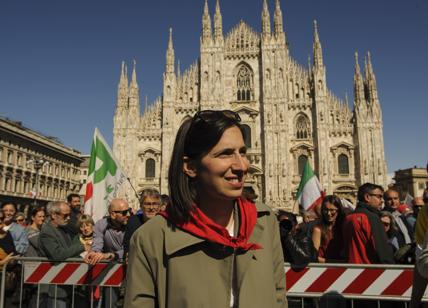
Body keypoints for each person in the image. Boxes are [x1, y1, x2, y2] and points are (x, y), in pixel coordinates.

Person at [124, 110, 287, 308]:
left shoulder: (264, 222)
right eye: (226, 154)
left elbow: (278, 296)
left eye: (242, 152)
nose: (242, 165)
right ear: (190, 166)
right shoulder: (151, 239)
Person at [39, 201, 89, 308]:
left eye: (69, 215)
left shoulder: (64, 229)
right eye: (65, 215)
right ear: (53, 215)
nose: (68, 218)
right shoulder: (47, 232)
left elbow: (70, 250)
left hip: (67, 281)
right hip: (55, 285)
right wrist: (82, 247)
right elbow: (57, 254)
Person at [85, 198, 130, 308]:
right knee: (111, 303)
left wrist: (112, 255)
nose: (128, 214)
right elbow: (97, 243)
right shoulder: (101, 224)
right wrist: (94, 253)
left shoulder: (132, 224)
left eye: (129, 210)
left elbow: (131, 248)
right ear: (113, 214)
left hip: (131, 272)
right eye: (124, 212)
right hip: (111, 272)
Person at [343, 183, 394, 264]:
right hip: (369, 269)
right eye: (379, 196)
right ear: (367, 197)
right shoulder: (371, 218)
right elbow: (381, 248)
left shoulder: (348, 218)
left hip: (350, 268)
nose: (382, 200)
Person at [124, 189, 161, 257]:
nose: (151, 207)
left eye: (155, 204)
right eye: (147, 204)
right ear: (141, 205)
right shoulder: (133, 222)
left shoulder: (165, 223)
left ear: (159, 207)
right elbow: (128, 246)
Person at [312, 195, 345, 263]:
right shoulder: (318, 230)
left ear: (339, 210)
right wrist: (334, 262)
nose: (328, 213)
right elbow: (313, 257)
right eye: (325, 210)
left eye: (332, 210)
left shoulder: (344, 227)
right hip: (324, 269)